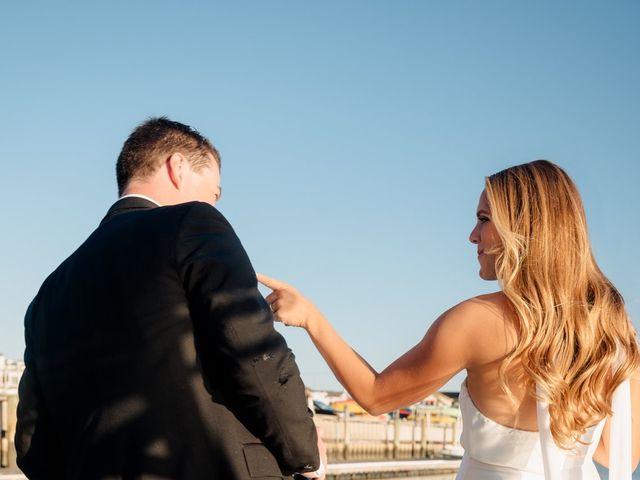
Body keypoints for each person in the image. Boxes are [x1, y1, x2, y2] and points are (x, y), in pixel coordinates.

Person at [258, 160, 640, 479]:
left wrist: (312, 318)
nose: (473, 236)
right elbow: (617, 454)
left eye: (484, 219)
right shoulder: (613, 330)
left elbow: (376, 397)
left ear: (523, 228)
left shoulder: (479, 319)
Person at [15, 117, 325, 480]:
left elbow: (33, 444)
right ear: (177, 167)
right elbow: (252, 353)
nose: (215, 201)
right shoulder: (193, 223)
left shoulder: (49, 292)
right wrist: (306, 453)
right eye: (215, 190)